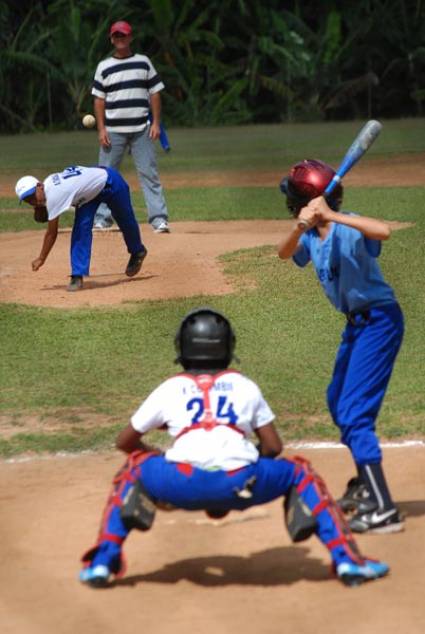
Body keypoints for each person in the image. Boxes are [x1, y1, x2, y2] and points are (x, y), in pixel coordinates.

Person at [79, 307, 389, 589]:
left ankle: (101, 564)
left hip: (179, 481)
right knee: (300, 471)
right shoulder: (244, 385)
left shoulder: (169, 388)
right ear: (229, 348)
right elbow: (273, 446)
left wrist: (162, 466)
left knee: (133, 468)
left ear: (182, 348)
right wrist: (239, 468)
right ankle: (348, 560)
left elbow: (125, 442)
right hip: (243, 483)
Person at [277, 159, 404, 534]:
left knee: (354, 414)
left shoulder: (348, 228)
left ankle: (383, 509)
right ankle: (366, 485)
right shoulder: (310, 235)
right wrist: (304, 223)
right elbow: (283, 253)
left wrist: (334, 215)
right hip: (356, 327)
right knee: (338, 401)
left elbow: (383, 231)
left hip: (380, 321)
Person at [15, 165, 148, 292]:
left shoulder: (55, 194)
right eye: (28, 201)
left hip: (110, 180)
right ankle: (77, 275)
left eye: (32, 196)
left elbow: (51, 233)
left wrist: (41, 258)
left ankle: (138, 251)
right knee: (80, 228)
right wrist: (41, 206)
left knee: (125, 219)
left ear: (39, 186)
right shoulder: (48, 182)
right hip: (88, 194)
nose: (33, 201)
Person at [91, 20, 170, 233]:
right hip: (113, 131)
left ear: (130, 38)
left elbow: (155, 92)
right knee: (105, 177)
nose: (120, 39)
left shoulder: (143, 62)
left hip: (141, 129)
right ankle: (102, 219)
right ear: (111, 39)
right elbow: (99, 99)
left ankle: (159, 219)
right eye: (116, 36)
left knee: (149, 173)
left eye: (123, 35)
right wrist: (101, 129)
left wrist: (155, 123)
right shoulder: (104, 67)